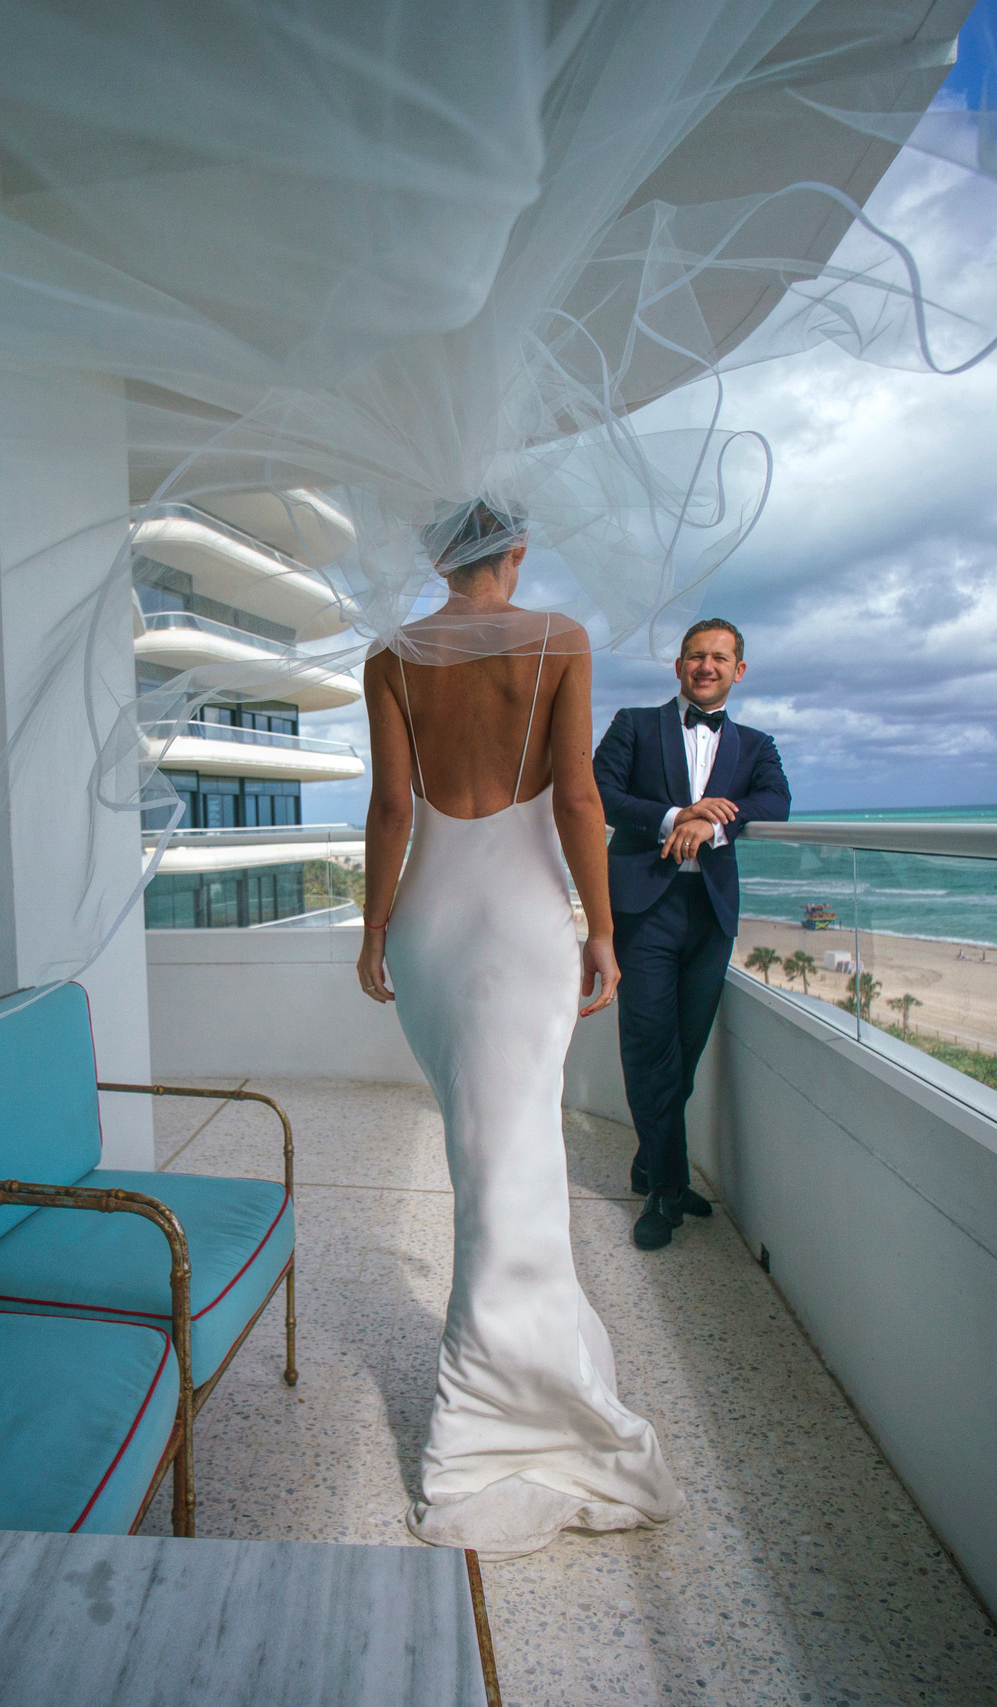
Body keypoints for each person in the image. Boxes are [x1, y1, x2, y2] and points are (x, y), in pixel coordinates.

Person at [353, 500, 678, 1560]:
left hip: (434, 924)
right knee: (516, 1148)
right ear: (518, 554)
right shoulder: (560, 640)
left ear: (435, 558)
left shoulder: (391, 656)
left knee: (483, 1153)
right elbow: (578, 797)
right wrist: (603, 932)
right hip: (532, 919)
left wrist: (373, 930)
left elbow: (392, 811)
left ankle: (513, 1378)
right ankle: (521, 1385)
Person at [593, 617, 790, 1251]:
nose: (707, 666)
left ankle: (654, 1161)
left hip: (710, 912)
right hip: (644, 905)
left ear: (739, 670)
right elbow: (600, 793)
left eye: (720, 657)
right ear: (679, 666)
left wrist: (713, 828)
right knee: (649, 1042)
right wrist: (677, 815)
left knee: (686, 1047)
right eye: (696, 656)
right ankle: (664, 1191)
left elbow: (776, 802)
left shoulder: (757, 746)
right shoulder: (632, 724)